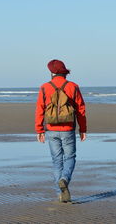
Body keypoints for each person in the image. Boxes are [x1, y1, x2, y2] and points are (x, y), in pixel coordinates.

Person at [35, 59, 87, 203]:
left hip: (51, 129)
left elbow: (40, 109)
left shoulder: (45, 87)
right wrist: (82, 129)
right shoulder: (73, 86)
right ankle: (64, 179)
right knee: (70, 158)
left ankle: (60, 193)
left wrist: (39, 129)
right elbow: (81, 110)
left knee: (57, 161)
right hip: (68, 128)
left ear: (51, 72)